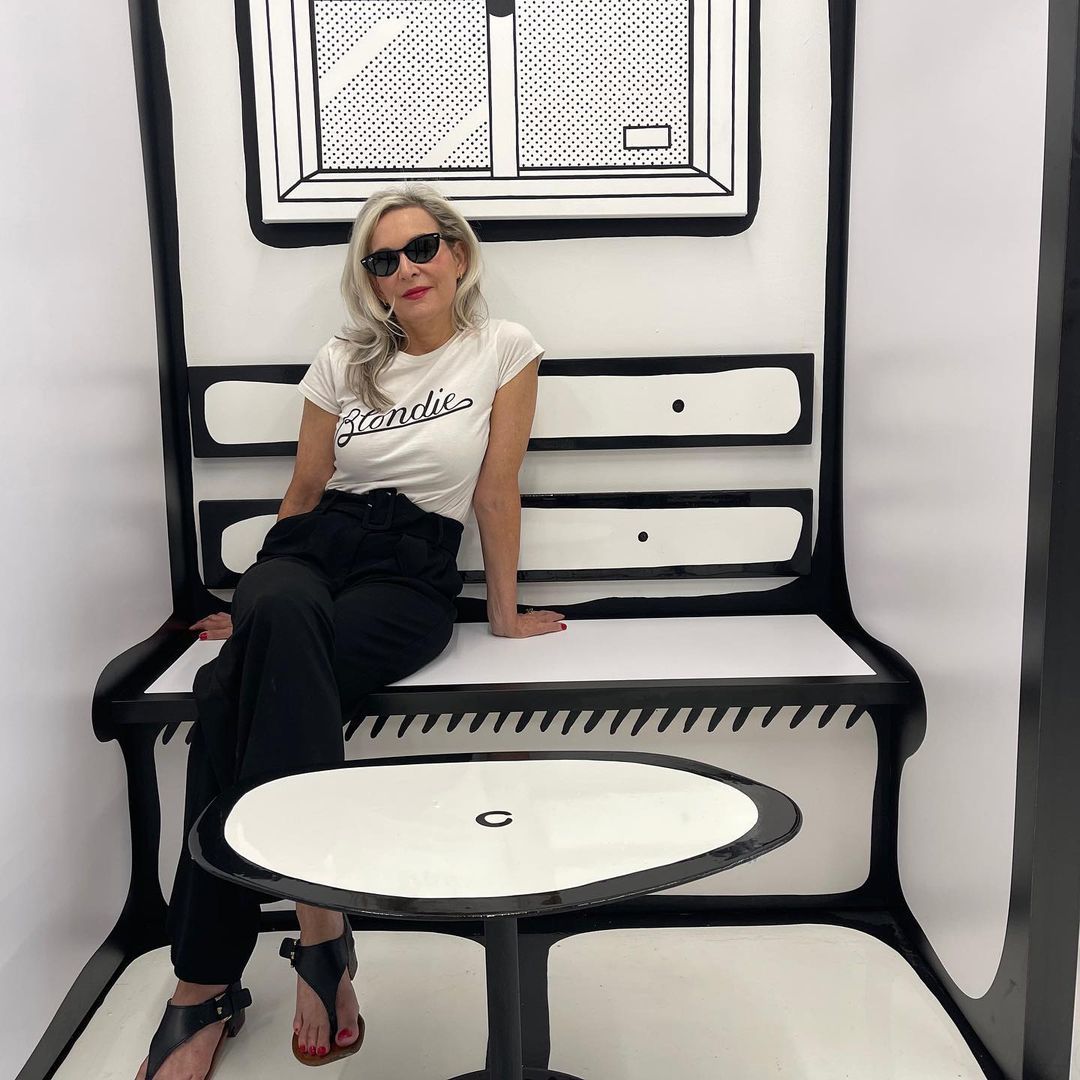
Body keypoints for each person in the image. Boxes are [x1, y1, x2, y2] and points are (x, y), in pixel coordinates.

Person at [137, 182, 565, 1080]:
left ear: (457, 253)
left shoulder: (504, 348)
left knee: (227, 689)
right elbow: (304, 488)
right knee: (279, 613)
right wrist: (247, 603)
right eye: (383, 259)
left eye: (422, 247)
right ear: (369, 280)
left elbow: (496, 488)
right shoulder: (343, 359)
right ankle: (321, 928)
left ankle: (202, 984)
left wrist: (501, 612)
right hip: (312, 550)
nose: (406, 268)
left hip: (409, 570)